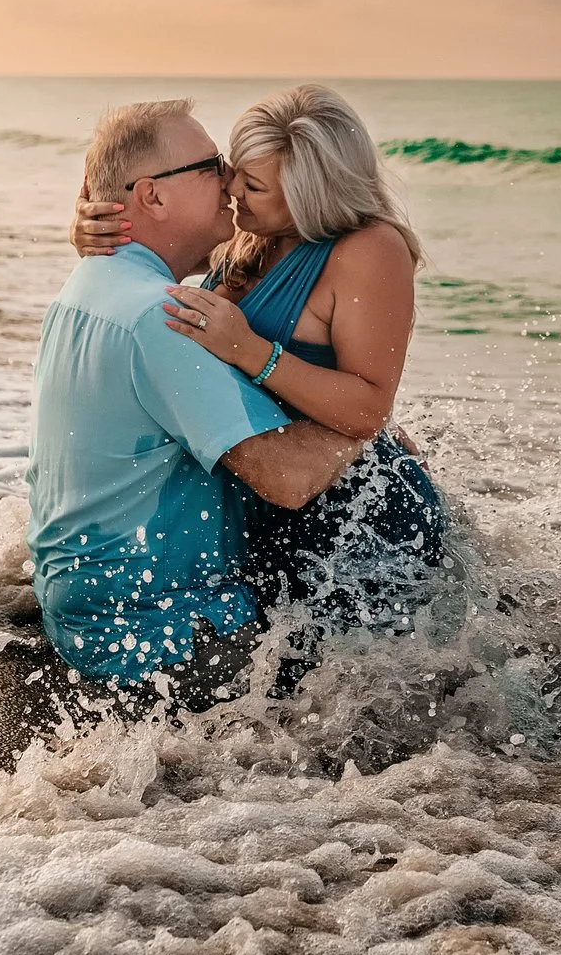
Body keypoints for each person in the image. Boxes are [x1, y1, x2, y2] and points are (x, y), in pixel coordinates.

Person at [73, 85, 447, 675]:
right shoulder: (247, 235)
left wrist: (251, 352)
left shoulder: (370, 250)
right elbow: (158, 239)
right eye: (231, 172)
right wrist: (94, 223)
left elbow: (370, 405)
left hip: (352, 513)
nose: (230, 191)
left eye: (253, 186)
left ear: (309, 195)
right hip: (265, 495)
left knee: (366, 702)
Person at [27, 98, 369, 709]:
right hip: (164, 635)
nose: (230, 180)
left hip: (81, 608)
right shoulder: (162, 319)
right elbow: (288, 479)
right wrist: (368, 418)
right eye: (212, 165)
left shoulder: (88, 283)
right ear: (153, 197)